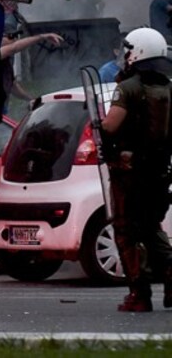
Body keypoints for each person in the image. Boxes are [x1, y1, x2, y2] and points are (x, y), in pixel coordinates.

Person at [100, 27, 172, 312]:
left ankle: (138, 294)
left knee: (126, 231)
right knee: (152, 228)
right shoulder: (168, 87)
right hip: (159, 170)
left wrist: (100, 129)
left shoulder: (128, 87)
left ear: (137, 52)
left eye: (128, 50)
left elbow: (111, 125)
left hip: (129, 172)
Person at [0, 27, 64, 109]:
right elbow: (14, 47)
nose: (14, 40)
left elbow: (13, 86)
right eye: (11, 36)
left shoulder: (6, 62)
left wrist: (31, 99)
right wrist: (42, 37)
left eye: (16, 37)